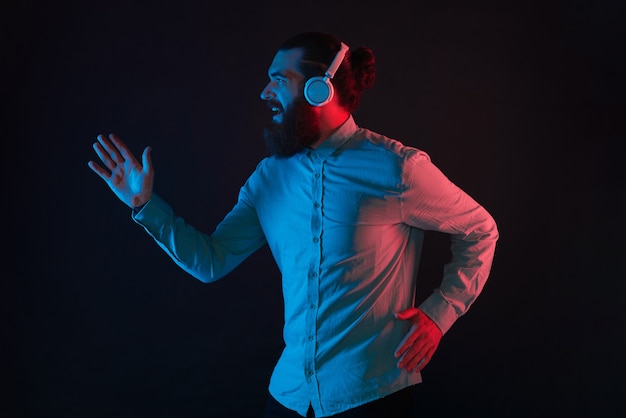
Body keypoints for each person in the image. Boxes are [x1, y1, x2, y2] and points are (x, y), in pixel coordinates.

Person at [88, 32, 498, 418]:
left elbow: (481, 229)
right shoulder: (269, 178)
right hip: (288, 399)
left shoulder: (398, 169)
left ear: (319, 88)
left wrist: (439, 314)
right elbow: (211, 261)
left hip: (370, 397)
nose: (265, 93)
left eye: (278, 80)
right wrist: (144, 204)